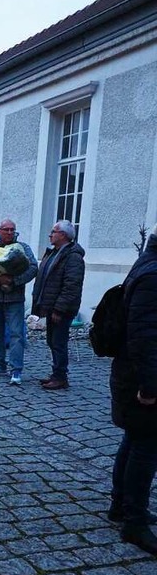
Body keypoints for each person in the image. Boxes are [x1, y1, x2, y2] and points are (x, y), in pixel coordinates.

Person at [109, 223, 157, 554]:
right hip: (140, 376)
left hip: (134, 372)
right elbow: (145, 336)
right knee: (145, 447)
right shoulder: (154, 274)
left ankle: (121, 505)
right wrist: (151, 385)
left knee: (135, 439)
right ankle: (134, 522)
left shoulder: (148, 263)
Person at [0, 218, 38, 385]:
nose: (10, 232)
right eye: (6, 229)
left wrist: (14, 280)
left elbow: (33, 268)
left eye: (12, 229)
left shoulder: (23, 248)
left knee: (17, 334)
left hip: (15, 298)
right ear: (0, 231)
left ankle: (16, 370)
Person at [31, 220, 85, 390]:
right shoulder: (54, 252)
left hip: (61, 309)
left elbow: (72, 285)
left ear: (63, 235)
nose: (50, 234)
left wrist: (59, 309)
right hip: (51, 307)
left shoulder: (73, 256)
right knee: (52, 341)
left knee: (58, 342)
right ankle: (56, 373)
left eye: (53, 231)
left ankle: (60, 377)